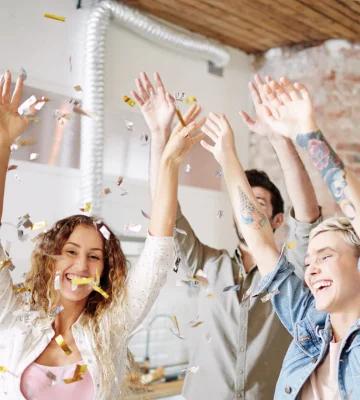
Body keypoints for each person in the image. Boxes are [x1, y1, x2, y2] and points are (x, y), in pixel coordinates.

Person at [0, 70, 203, 400]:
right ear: (50, 259)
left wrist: (163, 148)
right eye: (70, 251)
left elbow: (158, 254)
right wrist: (3, 143)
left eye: (95, 257)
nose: (82, 265)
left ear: (105, 271)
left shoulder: (109, 328)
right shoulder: (12, 318)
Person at [132, 72, 321, 399]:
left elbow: (307, 217)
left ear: (277, 219)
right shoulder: (209, 265)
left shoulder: (295, 273)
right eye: (241, 200)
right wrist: (160, 134)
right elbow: (167, 213)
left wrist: (280, 138)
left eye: (257, 203)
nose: (246, 209)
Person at [201, 76, 360, 399]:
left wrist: (307, 132)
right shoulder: (307, 321)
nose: (311, 269)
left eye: (325, 256)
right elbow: (258, 237)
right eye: (309, 260)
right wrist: (227, 157)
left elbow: (353, 205)